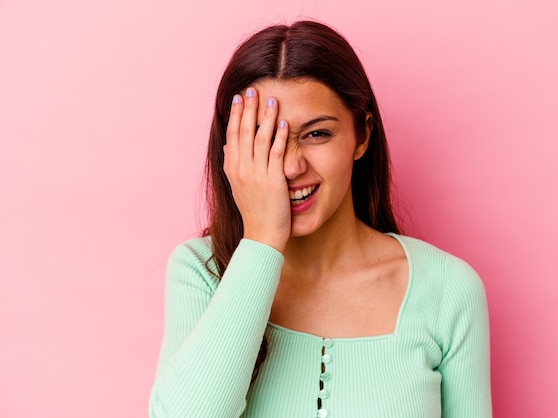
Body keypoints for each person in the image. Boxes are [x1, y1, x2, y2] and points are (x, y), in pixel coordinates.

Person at [149, 20, 491, 418]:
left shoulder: (449, 291)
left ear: (362, 136)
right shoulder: (202, 272)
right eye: (264, 138)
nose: (292, 166)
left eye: (316, 134)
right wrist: (261, 242)